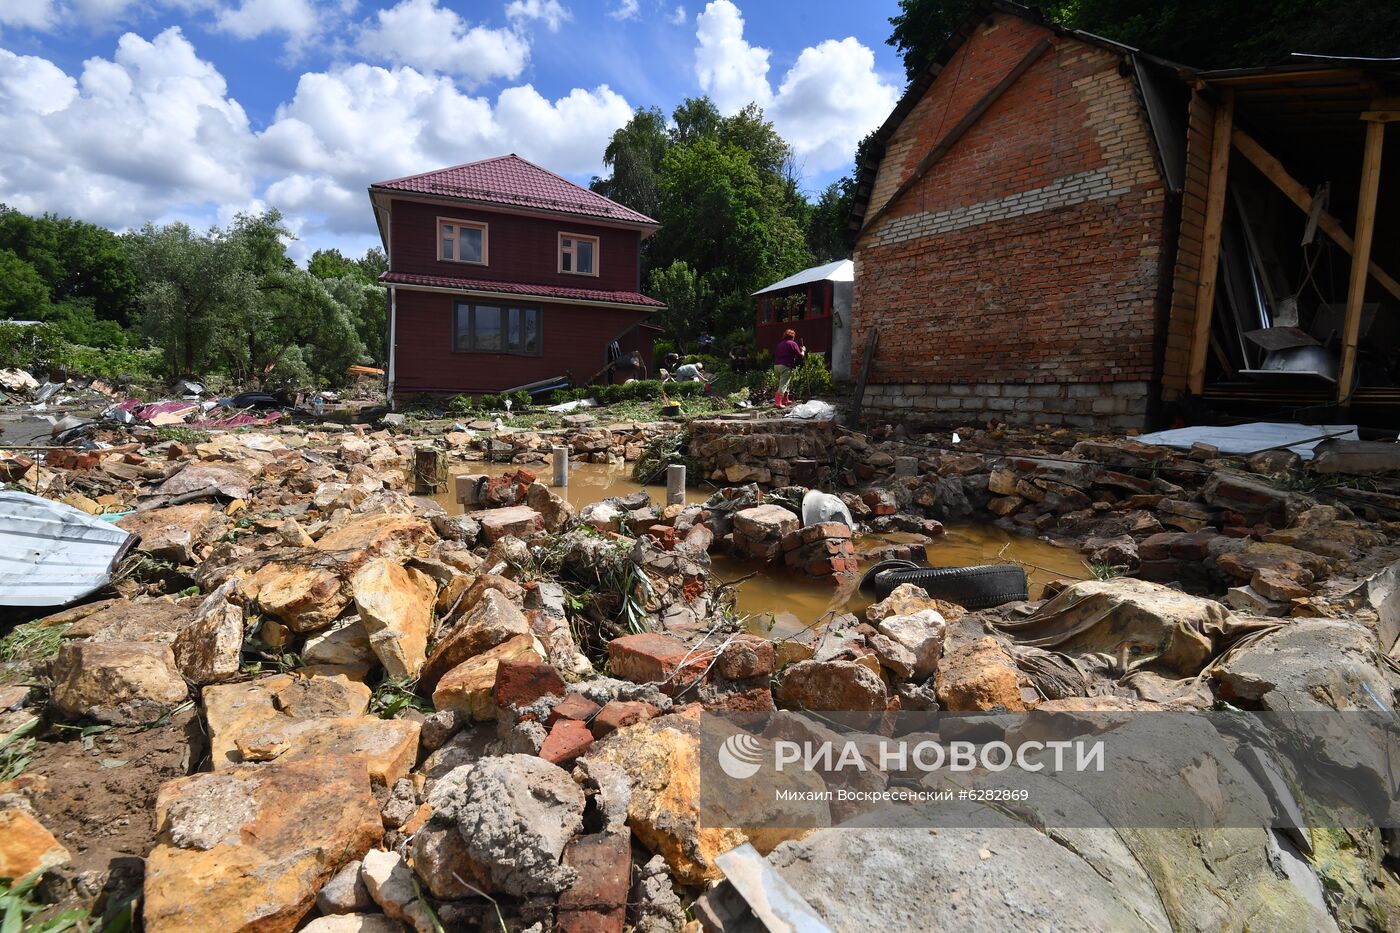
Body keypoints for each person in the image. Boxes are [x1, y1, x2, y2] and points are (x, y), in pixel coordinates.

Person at [773, 329, 804, 408]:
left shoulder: (780, 344)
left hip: (776, 366)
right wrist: (803, 350)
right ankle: (777, 403)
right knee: (783, 384)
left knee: (785, 383)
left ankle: (785, 400)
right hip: (785, 366)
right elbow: (800, 356)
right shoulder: (792, 344)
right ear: (792, 337)